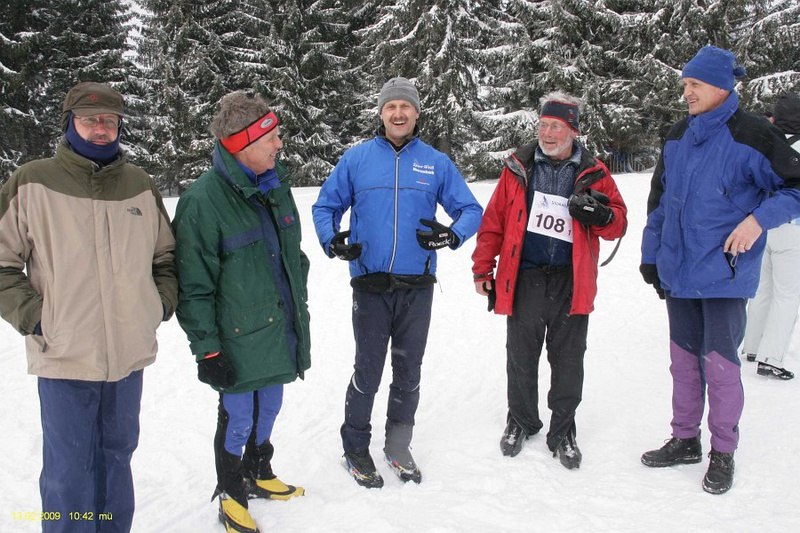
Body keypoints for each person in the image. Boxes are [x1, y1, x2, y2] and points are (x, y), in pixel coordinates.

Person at [0, 81, 177, 532]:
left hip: (127, 357)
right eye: (90, 120)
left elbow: (166, 256)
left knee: (117, 459)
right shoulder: (33, 181)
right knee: (69, 469)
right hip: (65, 355)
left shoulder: (139, 185)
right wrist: (36, 317)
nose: (101, 129)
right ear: (69, 123)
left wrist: (157, 306)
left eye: (110, 121)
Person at [640, 47, 800, 495]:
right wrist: (651, 255)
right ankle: (685, 439)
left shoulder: (754, 134)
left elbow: (795, 187)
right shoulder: (677, 134)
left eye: (695, 85)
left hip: (725, 275)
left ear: (721, 87)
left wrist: (758, 221)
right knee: (683, 363)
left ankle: (723, 451)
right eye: (685, 85)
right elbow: (659, 202)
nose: (686, 93)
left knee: (722, 367)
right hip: (678, 271)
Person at [312, 77, 483, 488]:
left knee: (409, 370)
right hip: (370, 284)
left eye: (406, 106)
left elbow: (470, 209)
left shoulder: (435, 163)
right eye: (391, 107)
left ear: (417, 114)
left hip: (416, 285)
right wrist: (331, 239)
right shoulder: (356, 159)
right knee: (368, 370)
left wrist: (451, 235)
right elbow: (325, 206)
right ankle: (356, 447)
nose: (398, 113)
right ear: (381, 113)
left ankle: (398, 444)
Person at [173, 91, 310, 533]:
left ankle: (258, 470)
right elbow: (193, 287)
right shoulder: (202, 201)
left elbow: (292, 255)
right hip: (235, 338)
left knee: (270, 405)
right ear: (241, 144)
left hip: (276, 327)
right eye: (270, 138)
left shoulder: (275, 185)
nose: (279, 145)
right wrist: (207, 349)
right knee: (239, 418)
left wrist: (297, 301)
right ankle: (231, 492)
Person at [471, 91, 628, 470]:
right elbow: (493, 221)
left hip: (571, 279)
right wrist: (482, 268)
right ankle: (521, 420)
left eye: (557, 126)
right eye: (543, 125)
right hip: (525, 275)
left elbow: (619, 222)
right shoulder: (518, 168)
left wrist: (601, 215)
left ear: (574, 131)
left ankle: (564, 428)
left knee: (569, 359)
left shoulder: (594, 172)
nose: (548, 133)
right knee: (520, 355)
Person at [741, 92, 800, 380]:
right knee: (787, 295)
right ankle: (771, 358)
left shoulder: (768, 142)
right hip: (793, 229)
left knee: (763, 289)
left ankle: (752, 345)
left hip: (762, 224)